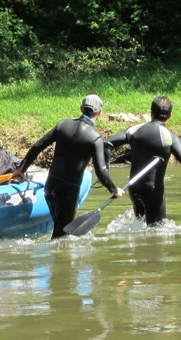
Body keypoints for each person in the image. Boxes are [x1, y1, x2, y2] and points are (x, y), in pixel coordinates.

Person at [11, 94, 123, 239]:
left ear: (81, 108)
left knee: (58, 228)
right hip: (68, 192)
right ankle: (59, 260)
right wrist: (114, 190)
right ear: (100, 112)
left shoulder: (63, 125)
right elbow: (101, 170)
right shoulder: (95, 138)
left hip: (50, 187)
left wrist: (21, 169)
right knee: (61, 238)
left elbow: (38, 146)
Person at [104, 95, 181, 225]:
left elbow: (107, 144)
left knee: (139, 226)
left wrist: (105, 173)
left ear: (151, 113)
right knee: (157, 231)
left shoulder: (134, 130)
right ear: (170, 115)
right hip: (153, 191)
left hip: (134, 187)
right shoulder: (169, 137)